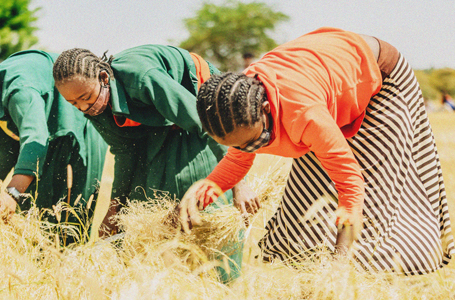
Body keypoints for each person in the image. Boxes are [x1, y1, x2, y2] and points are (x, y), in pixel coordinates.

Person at [183, 27, 454, 275]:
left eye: (256, 142)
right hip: (328, 77)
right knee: (305, 196)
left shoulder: (304, 114)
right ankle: (311, 272)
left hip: (381, 76)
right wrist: (193, 203)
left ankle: (365, 273)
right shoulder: (232, 104)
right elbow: (236, 163)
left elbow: (349, 183)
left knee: (375, 197)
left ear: (266, 108)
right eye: (239, 145)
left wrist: (338, 264)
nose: (249, 151)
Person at [52, 45, 256, 281]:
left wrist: (239, 183)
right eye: (74, 103)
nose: (84, 107)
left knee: (195, 189)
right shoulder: (93, 107)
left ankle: (221, 283)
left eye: (86, 98)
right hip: (164, 121)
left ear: (104, 77)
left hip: (204, 99)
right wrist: (115, 207)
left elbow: (203, 123)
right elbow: (124, 151)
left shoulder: (143, 78)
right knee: (141, 204)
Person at [0, 50, 108, 241]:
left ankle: (71, 262)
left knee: (72, 217)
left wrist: (11, 194)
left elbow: (35, 137)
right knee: (33, 216)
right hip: (43, 139)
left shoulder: (18, 89)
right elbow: (7, 149)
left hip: (76, 126)